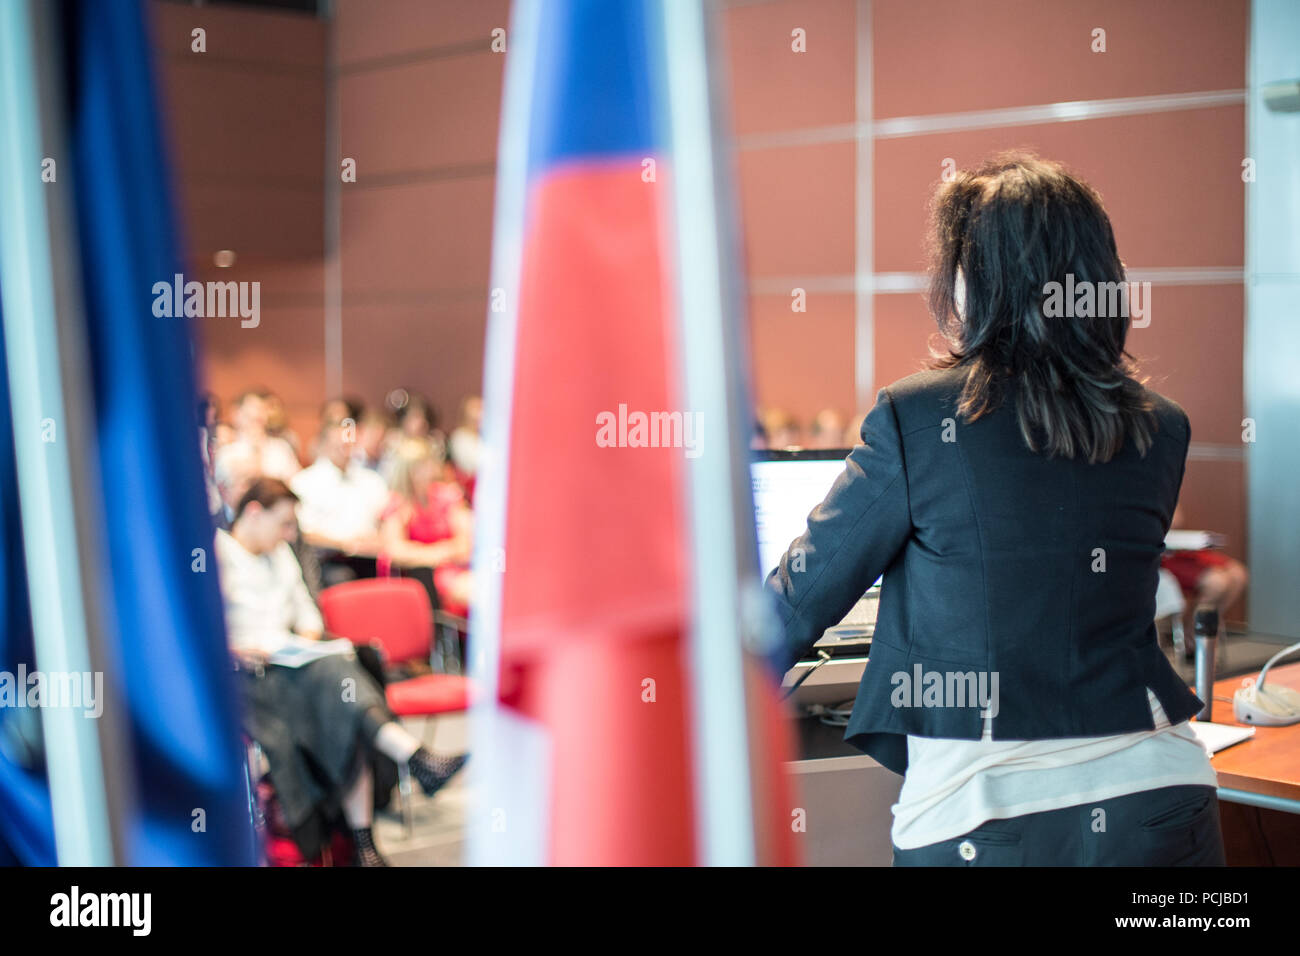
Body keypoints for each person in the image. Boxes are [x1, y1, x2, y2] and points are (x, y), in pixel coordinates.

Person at [765, 153, 1224, 866]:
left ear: (976, 280)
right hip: (1162, 802)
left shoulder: (918, 419)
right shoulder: (1160, 427)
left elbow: (799, 600)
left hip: (989, 820)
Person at [215, 478, 466, 866]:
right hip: (251, 678)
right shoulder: (217, 554)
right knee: (339, 683)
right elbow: (203, 631)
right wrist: (237, 650)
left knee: (344, 691)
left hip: (296, 665)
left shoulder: (280, 554)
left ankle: (370, 833)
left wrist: (309, 639)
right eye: (282, 523)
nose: (289, 533)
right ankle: (411, 762)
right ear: (253, 512)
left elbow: (307, 615)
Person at [290, 416, 390, 586]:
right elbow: (302, 533)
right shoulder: (304, 482)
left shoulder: (372, 481)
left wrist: (376, 539)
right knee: (342, 577)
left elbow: (386, 521)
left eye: (349, 444)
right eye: (339, 445)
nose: (346, 449)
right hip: (327, 561)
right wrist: (345, 544)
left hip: (370, 557)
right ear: (323, 445)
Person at [379, 438, 473, 617]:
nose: (431, 471)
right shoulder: (397, 505)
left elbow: (466, 544)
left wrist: (430, 553)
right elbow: (395, 550)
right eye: (423, 466)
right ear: (409, 472)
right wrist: (440, 553)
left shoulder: (447, 496)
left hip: (456, 568)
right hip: (427, 578)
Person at [1162, 502, 1249, 648]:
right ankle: (1193, 631)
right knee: (1217, 583)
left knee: (1238, 573)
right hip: (1164, 554)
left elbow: (1177, 518)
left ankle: (1203, 624)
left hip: (1181, 547)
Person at [221, 388, 300, 482]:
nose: (256, 413)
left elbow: (295, 482)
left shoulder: (281, 448)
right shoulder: (227, 451)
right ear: (237, 414)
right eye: (250, 416)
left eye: (261, 410)